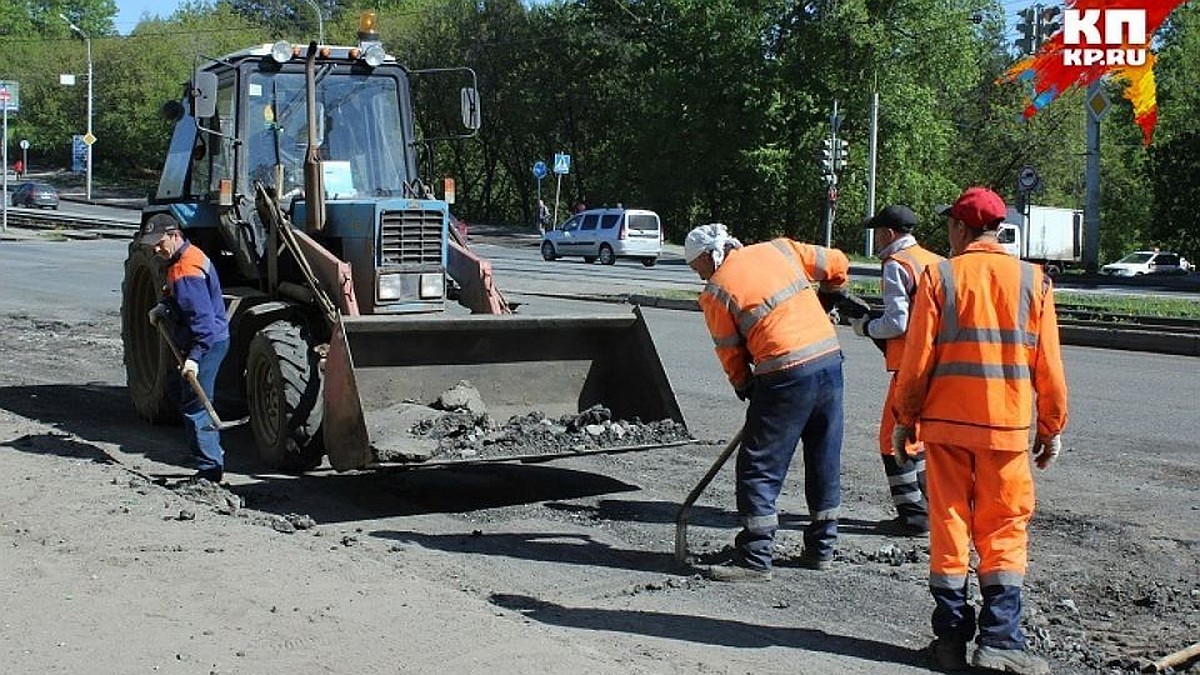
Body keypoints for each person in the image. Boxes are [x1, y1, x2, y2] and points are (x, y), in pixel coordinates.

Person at [892, 187, 1068, 674]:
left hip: (946, 429)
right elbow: (1049, 366)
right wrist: (1050, 427)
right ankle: (1001, 641)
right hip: (1007, 432)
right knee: (1004, 528)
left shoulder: (940, 277)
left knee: (949, 527)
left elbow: (917, 361)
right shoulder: (1034, 281)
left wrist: (905, 420)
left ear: (961, 229)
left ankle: (949, 640)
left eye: (949, 225)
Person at [684, 223, 850, 582]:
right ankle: (822, 549)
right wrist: (827, 300)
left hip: (785, 372)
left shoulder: (716, 291)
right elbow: (837, 262)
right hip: (829, 360)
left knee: (758, 464)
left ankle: (755, 557)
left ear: (708, 257)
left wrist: (746, 388)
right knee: (823, 456)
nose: (698, 276)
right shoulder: (780, 249)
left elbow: (730, 353)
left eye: (696, 268)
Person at [849, 205, 944, 536]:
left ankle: (913, 516)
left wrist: (865, 327)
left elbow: (897, 322)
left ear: (889, 234)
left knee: (894, 440)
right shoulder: (935, 260)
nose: (875, 240)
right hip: (941, 363)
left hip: (911, 367)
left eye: (877, 233)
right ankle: (930, 508)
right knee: (920, 438)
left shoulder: (895, 264)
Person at [143, 215, 231, 483]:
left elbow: (202, 324)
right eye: (151, 245)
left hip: (206, 343)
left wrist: (194, 357)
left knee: (197, 405)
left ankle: (209, 470)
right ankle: (204, 453)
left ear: (174, 235)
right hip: (204, 339)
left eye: (158, 243)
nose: (155, 249)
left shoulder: (186, 271)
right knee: (182, 394)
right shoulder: (183, 259)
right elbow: (184, 302)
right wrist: (166, 306)